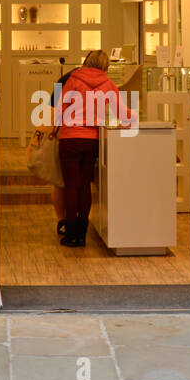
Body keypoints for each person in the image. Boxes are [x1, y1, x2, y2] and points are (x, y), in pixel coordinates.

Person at [56, 50, 133, 247]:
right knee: (84, 185)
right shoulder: (108, 84)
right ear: (105, 65)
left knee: (71, 186)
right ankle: (82, 233)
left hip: (70, 139)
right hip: (92, 140)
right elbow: (124, 115)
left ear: (87, 61)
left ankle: (71, 233)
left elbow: (59, 110)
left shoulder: (73, 79)